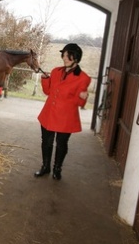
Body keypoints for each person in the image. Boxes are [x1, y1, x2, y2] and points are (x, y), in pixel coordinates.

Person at [34, 43, 91, 180]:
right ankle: (45, 167)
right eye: (63, 55)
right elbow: (48, 92)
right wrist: (45, 80)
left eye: (68, 56)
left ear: (76, 58)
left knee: (61, 144)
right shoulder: (55, 71)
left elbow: (79, 102)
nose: (64, 58)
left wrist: (83, 98)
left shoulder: (83, 78)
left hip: (66, 118)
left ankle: (57, 169)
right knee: (46, 141)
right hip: (49, 114)